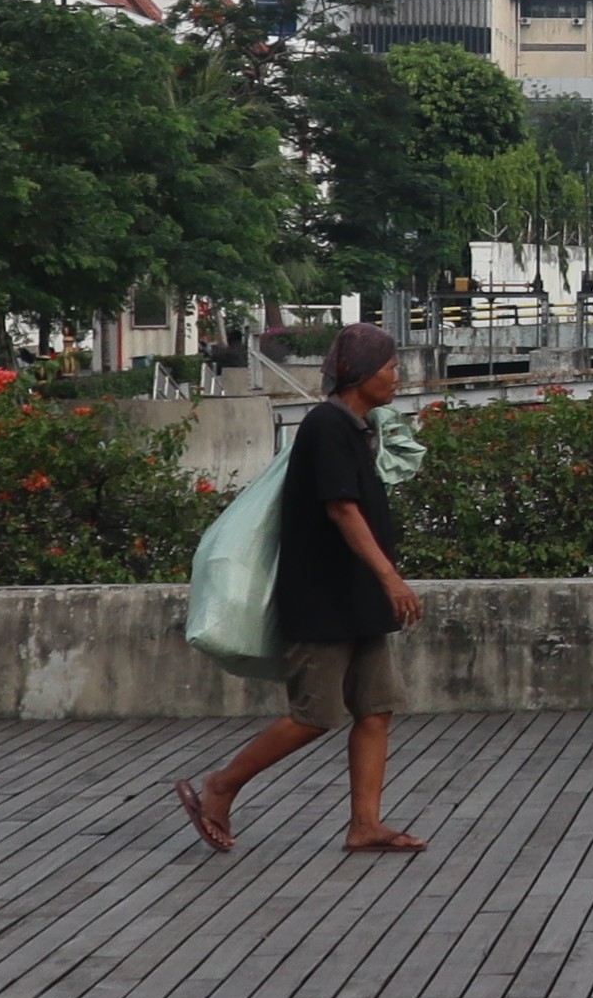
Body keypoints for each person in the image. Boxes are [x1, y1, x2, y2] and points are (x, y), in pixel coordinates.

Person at [179, 321, 426, 855]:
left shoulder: (358, 426)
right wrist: (391, 578)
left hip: (358, 597)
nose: (397, 378)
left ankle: (365, 824)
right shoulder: (326, 426)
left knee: (376, 709)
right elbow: (342, 509)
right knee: (313, 715)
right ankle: (221, 785)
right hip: (324, 599)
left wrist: (380, 583)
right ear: (361, 374)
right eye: (390, 368)